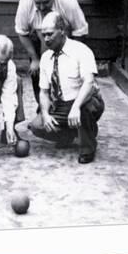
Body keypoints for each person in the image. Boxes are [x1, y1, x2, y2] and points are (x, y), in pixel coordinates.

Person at [28, 12, 104, 164]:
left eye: (50, 34)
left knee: (84, 110)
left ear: (62, 30)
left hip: (85, 100)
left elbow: (89, 83)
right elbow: (43, 92)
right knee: (37, 126)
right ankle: (71, 133)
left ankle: (88, 147)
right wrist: (45, 114)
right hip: (62, 104)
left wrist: (76, 107)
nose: (46, 39)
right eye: (44, 35)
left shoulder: (81, 50)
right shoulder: (45, 58)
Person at [15, 0, 89, 104]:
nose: (42, 7)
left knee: (66, 70)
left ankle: (68, 102)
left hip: (65, 36)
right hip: (37, 37)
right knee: (37, 70)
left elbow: (80, 31)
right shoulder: (25, 2)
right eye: (38, 3)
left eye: (46, 2)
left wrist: (71, 57)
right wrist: (35, 59)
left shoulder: (67, 1)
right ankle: (43, 107)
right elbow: (22, 32)